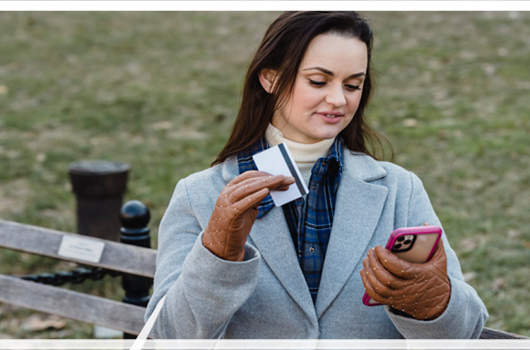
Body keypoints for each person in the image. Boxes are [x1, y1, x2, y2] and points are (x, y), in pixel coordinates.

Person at [145, 11, 488, 339]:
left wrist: (434, 303)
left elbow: (464, 333)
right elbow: (167, 337)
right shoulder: (198, 196)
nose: (338, 100)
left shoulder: (400, 190)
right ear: (269, 78)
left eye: (353, 85)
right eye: (319, 81)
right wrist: (217, 257)